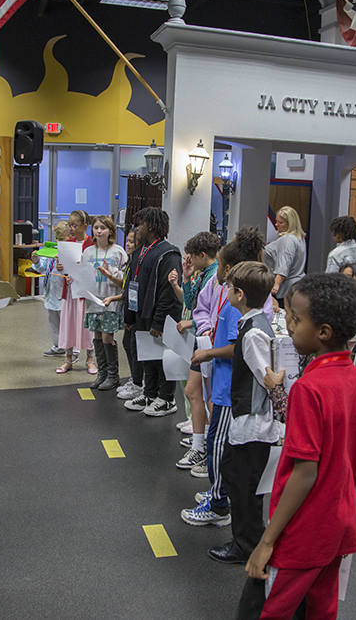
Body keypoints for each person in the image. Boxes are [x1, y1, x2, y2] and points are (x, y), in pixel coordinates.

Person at [241, 272, 356, 619]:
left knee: (270, 609)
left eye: (295, 320)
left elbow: (305, 473)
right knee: (321, 610)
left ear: (323, 332)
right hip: (339, 521)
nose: (288, 324)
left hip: (303, 530)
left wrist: (267, 541)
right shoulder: (353, 377)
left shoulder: (309, 389)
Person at [202, 262, 283, 567]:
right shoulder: (256, 322)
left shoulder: (251, 334)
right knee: (238, 479)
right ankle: (245, 538)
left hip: (254, 423)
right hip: (251, 420)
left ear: (239, 294)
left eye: (229, 286)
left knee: (243, 486)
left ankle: (246, 544)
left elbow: (267, 377)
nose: (224, 290)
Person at [180, 245, 243, 527]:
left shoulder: (236, 305)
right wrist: (205, 329)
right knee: (218, 440)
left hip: (229, 388)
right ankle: (218, 495)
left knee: (219, 445)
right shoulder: (223, 293)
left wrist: (207, 352)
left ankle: (219, 506)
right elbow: (201, 308)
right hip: (219, 377)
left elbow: (235, 347)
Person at [122, 206, 183, 417]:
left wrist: (158, 322)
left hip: (159, 317)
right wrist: (129, 315)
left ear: (152, 225)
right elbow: (131, 284)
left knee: (162, 359)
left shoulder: (168, 253)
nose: (137, 228)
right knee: (147, 357)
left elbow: (168, 292)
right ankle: (150, 393)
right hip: (140, 313)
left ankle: (167, 398)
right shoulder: (141, 251)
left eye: (141, 224)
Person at [171, 231, 221, 468]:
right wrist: (188, 277)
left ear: (202, 255)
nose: (188, 261)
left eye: (191, 257)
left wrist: (192, 322)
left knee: (207, 396)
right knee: (193, 391)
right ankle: (200, 445)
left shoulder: (216, 277)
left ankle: (207, 447)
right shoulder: (203, 274)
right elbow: (192, 304)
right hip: (199, 341)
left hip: (208, 343)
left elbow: (208, 311)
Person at [82, 215, 127, 390]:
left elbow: (125, 280)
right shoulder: (87, 252)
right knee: (97, 336)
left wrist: (110, 274)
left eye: (103, 228)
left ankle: (113, 375)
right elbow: (83, 275)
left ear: (110, 231)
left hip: (111, 300)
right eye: (96, 228)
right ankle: (102, 373)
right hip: (93, 301)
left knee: (108, 336)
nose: (99, 231)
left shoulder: (118, 251)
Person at [55, 210, 95, 374]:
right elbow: (64, 268)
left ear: (84, 226)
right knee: (69, 322)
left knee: (87, 325)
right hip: (70, 290)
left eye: (74, 225)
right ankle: (68, 358)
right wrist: (61, 267)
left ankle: (90, 359)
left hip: (85, 291)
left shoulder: (92, 244)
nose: (71, 228)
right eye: (69, 224)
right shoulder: (67, 243)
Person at [106, 228, 143, 401]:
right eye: (126, 241)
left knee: (133, 346)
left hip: (136, 312)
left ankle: (139, 382)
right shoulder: (131, 262)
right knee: (127, 343)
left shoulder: (139, 263)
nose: (127, 245)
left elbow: (133, 290)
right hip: (128, 310)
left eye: (131, 241)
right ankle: (135, 380)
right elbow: (127, 288)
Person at [32, 220, 72, 357]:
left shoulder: (72, 252)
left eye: (63, 239)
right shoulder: (51, 251)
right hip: (50, 293)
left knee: (66, 322)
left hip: (64, 294)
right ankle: (58, 346)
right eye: (57, 239)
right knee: (53, 320)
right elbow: (43, 267)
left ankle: (72, 349)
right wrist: (37, 261)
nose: (59, 242)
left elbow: (75, 272)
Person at [264, 206, 307, 305]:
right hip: (297, 286)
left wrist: (276, 284)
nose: (276, 224)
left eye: (280, 222)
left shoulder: (288, 239)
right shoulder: (299, 238)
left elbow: (284, 263)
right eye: (276, 221)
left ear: (290, 223)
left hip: (284, 290)